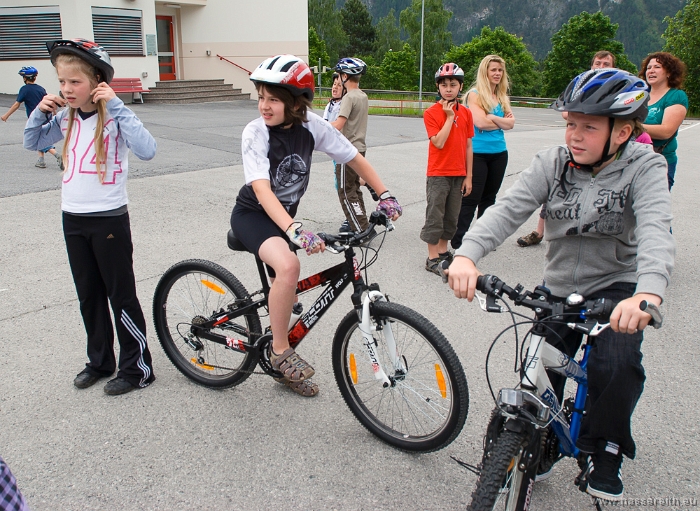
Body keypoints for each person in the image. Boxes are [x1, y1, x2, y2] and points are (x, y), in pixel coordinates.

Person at [447, 68, 674, 501]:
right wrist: (466, 254)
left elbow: (656, 230)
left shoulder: (645, 166)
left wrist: (647, 292)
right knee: (539, 363)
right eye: (571, 123)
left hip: (617, 288)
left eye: (589, 126)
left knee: (615, 365)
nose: (575, 134)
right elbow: (508, 209)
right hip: (558, 286)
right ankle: (543, 434)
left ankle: (603, 448)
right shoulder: (553, 162)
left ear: (623, 131)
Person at [230, 54, 402, 397]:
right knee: (289, 264)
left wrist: (383, 193)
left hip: (285, 217)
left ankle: (282, 357)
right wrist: (294, 229)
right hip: (254, 214)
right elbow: (262, 189)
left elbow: (353, 156)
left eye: (273, 99)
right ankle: (280, 352)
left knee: (288, 287)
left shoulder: (311, 126)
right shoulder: (256, 132)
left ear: (295, 103)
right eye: (261, 97)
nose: (264, 105)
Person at [24, 39, 157, 395]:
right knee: (89, 295)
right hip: (74, 219)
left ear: (98, 82)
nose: (67, 89)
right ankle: (100, 361)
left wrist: (116, 106)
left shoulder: (115, 118)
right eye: (62, 81)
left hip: (109, 220)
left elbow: (147, 150)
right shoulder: (65, 119)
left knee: (120, 294)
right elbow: (31, 141)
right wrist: (40, 111)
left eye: (75, 82)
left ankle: (137, 368)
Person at [518, 50, 617, 247]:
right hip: (578, 148)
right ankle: (539, 232)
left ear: (613, 67)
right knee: (558, 187)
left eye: (606, 64)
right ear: (592, 65)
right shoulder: (582, 85)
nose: (601, 67)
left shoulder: (617, 88)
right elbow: (565, 112)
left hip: (605, 151)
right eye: (598, 63)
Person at [451, 55, 514, 250]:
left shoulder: (503, 96)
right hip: (478, 153)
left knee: (490, 198)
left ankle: (482, 237)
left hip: (499, 152)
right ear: (485, 71)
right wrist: (500, 121)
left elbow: (511, 124)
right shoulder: (474, 94)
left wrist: (491, 117)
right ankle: (459, 238)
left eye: (500, 70)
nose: (497, 73)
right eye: (493, 69)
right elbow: (479, 123)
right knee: (471, 197)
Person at [421, 63, 473, 275]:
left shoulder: (467, 113)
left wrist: (469, 176)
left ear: (460, 87)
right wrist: (449, 117)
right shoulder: (431, 113)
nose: (448, 89)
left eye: (453, 84)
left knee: (452, 217)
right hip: (439, 173)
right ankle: (432, 257)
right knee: (436, 215)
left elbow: (469, 146)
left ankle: (443, 251)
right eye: (444, 85)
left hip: (458, 173)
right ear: (438, 87)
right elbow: (439, 142)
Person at [330, 57, 373, 233]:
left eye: (339, 75)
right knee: (354, 188)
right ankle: (362, 223)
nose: (338, 79)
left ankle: (360, 228)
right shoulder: (363, 96)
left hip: (346, 150)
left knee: (345, 191)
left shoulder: (348, 98)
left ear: (345, 76)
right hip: (360, 149)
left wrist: (317, 126)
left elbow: (338, 125)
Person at [640, 52, 688, 191]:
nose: (651, 71)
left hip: (659, 160)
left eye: (657, 67)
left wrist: (633, 127)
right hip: (633, 158)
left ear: (669, 72)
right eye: (648, 68)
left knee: (652, 208)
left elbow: (666, 131)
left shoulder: (676, 96)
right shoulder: (639, 95)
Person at [2, 66, 63, 170]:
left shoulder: (24, 89)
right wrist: (54, 113)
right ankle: (41, 160)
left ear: (25, 78)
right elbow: (50, 102)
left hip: (35, 119)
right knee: (40, 137)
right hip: (47, 117)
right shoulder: (40, 89)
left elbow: (17, 104)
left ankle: (57, 155)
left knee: (36, 137)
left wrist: (6, 115)